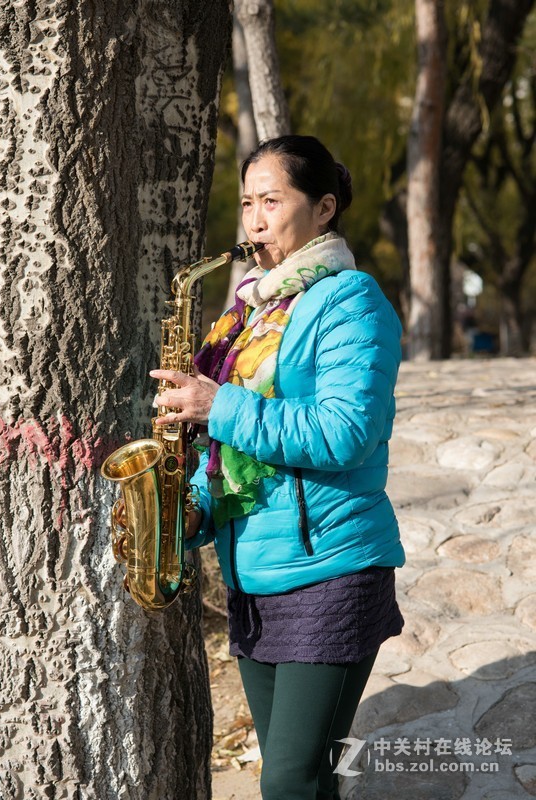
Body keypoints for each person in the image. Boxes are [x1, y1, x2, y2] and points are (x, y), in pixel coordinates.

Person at [151, 135, 405, 800]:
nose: (255, 219)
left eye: (272, 200)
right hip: (254, 575)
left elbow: (346, 433)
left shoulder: (352, 301)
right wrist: (196, 506)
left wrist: (219, 403)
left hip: (331, 568)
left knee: (289, 781)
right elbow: (227, 447)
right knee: (309, 779)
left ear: (324, 208)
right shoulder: (249, 312)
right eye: (247, 203)